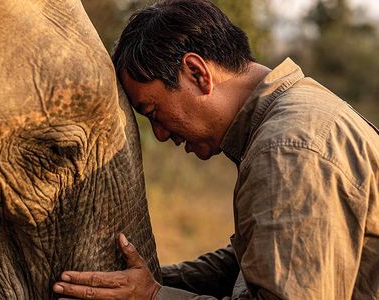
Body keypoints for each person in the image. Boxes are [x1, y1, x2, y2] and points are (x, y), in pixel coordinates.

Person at [52, 0, 379, 299]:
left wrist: (153, 296)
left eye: (154, 112)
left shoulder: (288, 148)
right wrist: (147, 281)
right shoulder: (295, 118)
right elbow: (248, 263)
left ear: (197, 73)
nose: (161, 135)